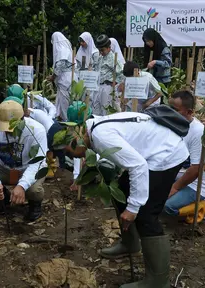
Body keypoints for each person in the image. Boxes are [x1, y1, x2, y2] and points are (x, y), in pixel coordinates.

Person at [67, 111, 189, 287]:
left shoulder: (101, 136)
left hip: (166, 154)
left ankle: (158, 281)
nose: (76, 157)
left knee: (146, 214)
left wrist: (132, 208)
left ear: (76, 140)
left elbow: (138, 165)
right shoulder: (96, 127)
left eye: (72, 154)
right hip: (155, 151)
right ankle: (130, 244)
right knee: (121, 189)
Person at [165, 91, 205, 223]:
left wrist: (175, 188)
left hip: (195, 183)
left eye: (175, 110)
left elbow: (195, 169)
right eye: (169, 108)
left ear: (189, 112)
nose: (170, 112)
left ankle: (201, 207)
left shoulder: (197, 132)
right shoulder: (173, 123)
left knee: (167, 206)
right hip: (178, 174)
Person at [92, 35, 125, 115]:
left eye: (102, 50)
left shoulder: (113, 58)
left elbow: (122, 73)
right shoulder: (101, 57)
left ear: (108, 48)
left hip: (108, 87)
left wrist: (117, 82)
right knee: (96, 110)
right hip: (99, 86)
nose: (101, 52)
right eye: (99, 50)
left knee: (106, 110)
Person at [49, 32, 77, 121]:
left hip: (66, 79)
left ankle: (66, 124)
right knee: (67, 103)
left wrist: (53, 77)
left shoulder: (62, 50)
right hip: (70, 77)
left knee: (65, 104)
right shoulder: (66, 49)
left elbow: (60, 64)